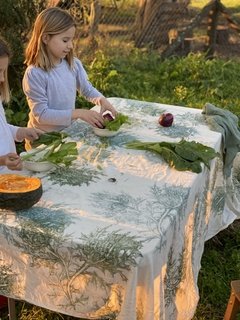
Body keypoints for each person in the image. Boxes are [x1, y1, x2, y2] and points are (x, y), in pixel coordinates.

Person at [22, 7, 117, 137]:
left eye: (71, 40)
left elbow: (87, 89)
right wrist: (79, 113)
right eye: (65, 40)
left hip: (67, 133)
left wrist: (102, 100)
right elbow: (41, 115)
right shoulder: (34, 73)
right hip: (43, 139)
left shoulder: (73, 64)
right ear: (45, 38)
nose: (71, 46)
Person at [0, 37, 42, 171]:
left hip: (8, 174)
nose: (2, 79)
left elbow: (2, 129)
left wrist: (20, 132)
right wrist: (3, 160)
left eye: (3, 72)